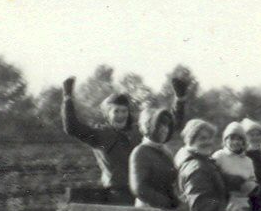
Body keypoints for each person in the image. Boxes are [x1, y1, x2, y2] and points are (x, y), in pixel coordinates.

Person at [61, 75, 189, 204]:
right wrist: (67, 98)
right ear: (107, 114)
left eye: (124, 111)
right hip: (118, 193)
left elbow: (168, 126)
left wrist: (180, 99)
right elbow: (72, 128)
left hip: (145, 191)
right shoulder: (100, 135)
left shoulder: (138, 131)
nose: (121, 115)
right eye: (116, 111)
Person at [128, 83, 190, 209]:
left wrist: (177, 203)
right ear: (148, 128)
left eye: (166, 125)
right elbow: (139, 188)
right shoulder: (141, 152)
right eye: (159, 125)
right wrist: (168, 204)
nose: (164, 129)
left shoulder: (165, 152)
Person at [176, 119, 248, 211]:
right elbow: (201, 203)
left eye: (210, 138)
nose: (208, 142)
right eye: (202, 138)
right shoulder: (196, 167)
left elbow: (213, 178)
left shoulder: (203, 160)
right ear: (191, 140)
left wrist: (239, 182)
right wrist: (229, 209)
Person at [212, 122, 258, 210]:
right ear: (225, 140)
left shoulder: (248, 160)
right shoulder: (219, 156)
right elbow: (212, 177)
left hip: (243, 201)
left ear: (243, 142)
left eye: (239, 139)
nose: (236, 142)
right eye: (232, 138)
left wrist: (250, 186)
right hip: (223, 201)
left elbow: (252, 180)